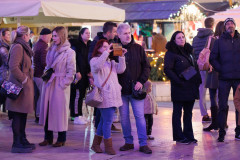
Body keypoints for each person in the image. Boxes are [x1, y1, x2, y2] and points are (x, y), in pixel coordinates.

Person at [116, 23, 152, 154]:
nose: (128, 35)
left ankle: (143, 143)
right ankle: (128, 142)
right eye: (124, 33)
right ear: (118, 35)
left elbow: (147, 67)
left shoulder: (138, 48)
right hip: (121, 90)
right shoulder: (116, 48)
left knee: (139, 116)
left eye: (129, 33)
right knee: (124, 117)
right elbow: (113, 68)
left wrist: (141, 81)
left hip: (136, 88)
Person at [39, 26, 76, 147]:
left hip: (60, 84)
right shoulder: (51, 49)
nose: (53, 38)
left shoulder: (70, 52)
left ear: (62, 36)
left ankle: (61, 138)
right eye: (52, 36)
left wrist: (63, 84)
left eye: (55, 35)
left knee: (60, 112)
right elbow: (47, 66)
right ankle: (47, 137)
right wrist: (46, 75)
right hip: (49, 83)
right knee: (47, 109)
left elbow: (71, 72)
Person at [164, 31, 201, 144]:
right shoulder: (170, 53)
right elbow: (167, 70)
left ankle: (189, 135)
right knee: (177, 113)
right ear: (174, 40)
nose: (181, 39)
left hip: (190, 86)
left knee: (188, 113)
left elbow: (194, 66)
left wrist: (197, 80)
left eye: (183, 37)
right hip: (179, 87)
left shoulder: (189, 50)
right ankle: (179, 136)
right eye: (179, 38)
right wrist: (178, 81)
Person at [90, 39, 126, 155]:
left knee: (103, 121)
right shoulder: (94, 60)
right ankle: (108, 147)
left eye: (108, 47)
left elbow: (121, 69)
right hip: (104, 96)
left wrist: (121, 56)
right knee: (108, 122)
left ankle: (95, 145)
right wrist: (107, 52)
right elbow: (96, 67)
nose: (107, 49)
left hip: (113, 96)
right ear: (98, 48)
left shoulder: (110, 62)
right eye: (104, 47)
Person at [210, 18, 240, 142]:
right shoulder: (219, 41)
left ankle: (238, 131)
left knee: (239, 105)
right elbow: (212, 58)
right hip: (224, 78)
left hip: (238, 79)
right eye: (227, 24)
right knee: (222, 105)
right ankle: (221, 132)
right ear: (225, 27)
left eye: (232, 23)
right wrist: (221, 69)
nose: (230, 25)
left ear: (235, 25)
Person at [6, 26, 35, 153]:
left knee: (22, 114)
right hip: (18, 86)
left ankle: (22, 139)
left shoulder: (22, 46)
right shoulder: (18, 47)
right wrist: (24, 79)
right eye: (29, 35)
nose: (30, 37)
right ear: (24, 36)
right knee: (18, 114)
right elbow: (13, 67)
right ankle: (16, 143)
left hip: (23, 87)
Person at [88, 21, 120, 132]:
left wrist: (121, 57)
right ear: (108, 32)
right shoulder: (97, 41)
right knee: (100, 106)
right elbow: (92, 59)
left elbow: (117, 58)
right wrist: (91, 75)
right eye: (115, 31)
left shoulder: (115, 41)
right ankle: (99, 131)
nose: (116, 34)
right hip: (100, 78)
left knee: (109, 110)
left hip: (111, 76)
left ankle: (106, 126)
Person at [203, 21, 225, 132]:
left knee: (213, 97)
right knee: (222, 97)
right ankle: (223, 122)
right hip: (224, 71)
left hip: (212, 71)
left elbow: (207, 54)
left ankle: (215, 123)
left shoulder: (212, 39)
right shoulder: (227, 40)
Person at [192, 17, 214, 122]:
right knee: (214, 91)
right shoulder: (213, 37)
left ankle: (204, 114)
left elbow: (193, 52)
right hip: (210, 67)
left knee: (202, 91)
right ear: (212, 25)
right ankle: (216, 113)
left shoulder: (196, 38)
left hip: (199, 67)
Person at [69, 27, 91, 124]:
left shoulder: (89, 45)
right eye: (86, 33)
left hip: (85, 75)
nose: (88, 34)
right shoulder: (76, 45)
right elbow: (73, 60)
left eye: (89, 33)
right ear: (81, 35)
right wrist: (77, 71)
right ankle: (75, 115)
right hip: (78, 74)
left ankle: (80, 114)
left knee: (81, 95)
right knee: (76, 95)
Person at [33, 28, 52, 123]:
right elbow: (44, 62)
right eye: (50, 36)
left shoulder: (37, 44)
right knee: (42, 95)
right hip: (40, 74)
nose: (51, 38)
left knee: (38, 95)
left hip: (36, 74)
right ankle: (40, 115)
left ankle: (38, 114)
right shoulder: (44, 46)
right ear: (44, 36)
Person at [0, 28, 11, 108]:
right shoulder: (3, 48)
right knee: (10, 94)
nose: (10, 36)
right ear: (3, 36)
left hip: (5, 75)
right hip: (5, 76)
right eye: (8, 34)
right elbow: (9, 62)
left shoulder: (6, 46)